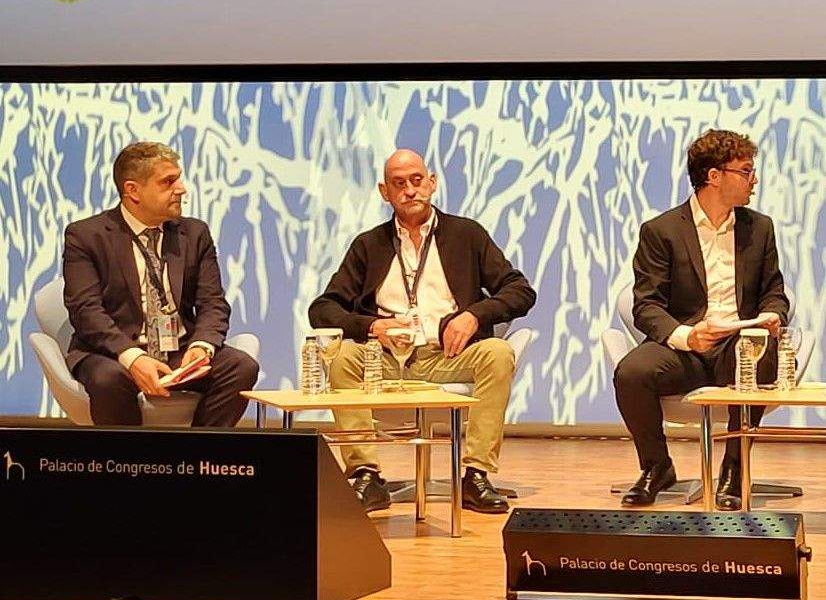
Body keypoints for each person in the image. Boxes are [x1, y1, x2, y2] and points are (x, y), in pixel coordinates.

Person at [309, 149, 536, 514]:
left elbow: (520, 291)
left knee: (497, 352)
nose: (411, 191)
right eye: (400, 184)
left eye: (417, 181)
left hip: (447, 356)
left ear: (432, 182)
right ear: (385, 192)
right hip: (383, 360)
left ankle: (476, 475)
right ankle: (365, 476)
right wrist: (372, 326)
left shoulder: (467, 234)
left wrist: (474, 315)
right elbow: (322, 308)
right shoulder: (369, 245)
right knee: (342, 357)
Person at [613, 130, 788, 510]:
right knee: (631, 372)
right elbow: (647, 304)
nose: (753, 180)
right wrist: (686, 336)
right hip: (687, 347)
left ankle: (734, 470)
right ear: (714, 176)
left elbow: (774, 290)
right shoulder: (661, 231)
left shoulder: (759, 228)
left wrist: (773, 313)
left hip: (737, 345)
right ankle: (656, 467)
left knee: (756, 354)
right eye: (745, 171)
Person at [61, 141, 259, 426]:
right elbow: (86, 312)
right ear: (132, 191)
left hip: (179, 351)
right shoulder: (86, 236)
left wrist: (202, 346)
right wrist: (133, 357)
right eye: (168, 181)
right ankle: (129, 465)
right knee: (108, 379)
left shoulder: (195, 233)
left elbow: (213, 303)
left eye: (178, 178)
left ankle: (199, 459)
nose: (181, 188)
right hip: (114, 354)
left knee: (241, 367)